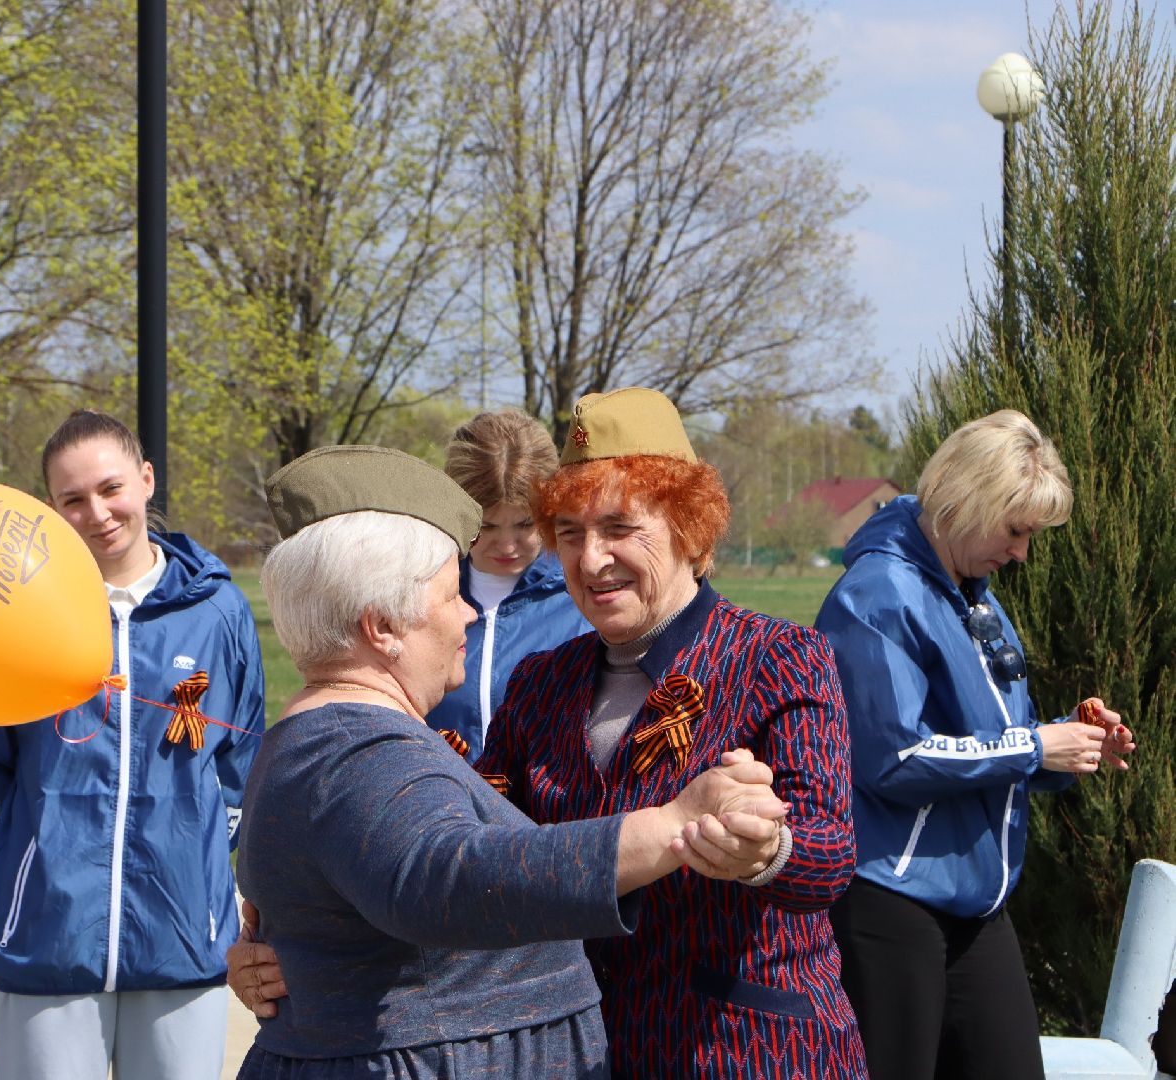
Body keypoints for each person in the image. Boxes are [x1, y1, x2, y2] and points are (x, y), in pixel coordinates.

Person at [232, 389, 867, 1079]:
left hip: (737, 1048)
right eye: (568, 532)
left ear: (690, 529)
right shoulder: (542, 681)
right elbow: (475, 856)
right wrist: (291, 938)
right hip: (583, 1051)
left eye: (619, 528)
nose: (591, 559)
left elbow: (829, 857)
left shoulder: (778, 658)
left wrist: (765, 848)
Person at [814, 409, 1136, 1080]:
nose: (1022, 552)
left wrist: (1069, 740)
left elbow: (990, 731)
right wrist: (1032, 747)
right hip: (889, 899)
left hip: (973, 901)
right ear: (964, 503)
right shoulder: (876, 596)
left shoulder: (972, 592)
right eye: (1016, 530)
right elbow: (892, 758)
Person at [0, 409, 265, 1080]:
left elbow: (242, 760)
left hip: (181, 934)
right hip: (48, 934)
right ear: (49, 507)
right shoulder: (14, 614)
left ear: (146, 479)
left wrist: (195, 860)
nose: (96, 512)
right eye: (71, 499)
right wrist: (41, 855)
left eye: (110, 488)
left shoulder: (218, 610)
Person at [425, 410, 589, 761]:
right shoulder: (421, 595)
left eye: (524, 524)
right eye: (487, 527)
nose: (508, 545)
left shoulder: (584, 597)